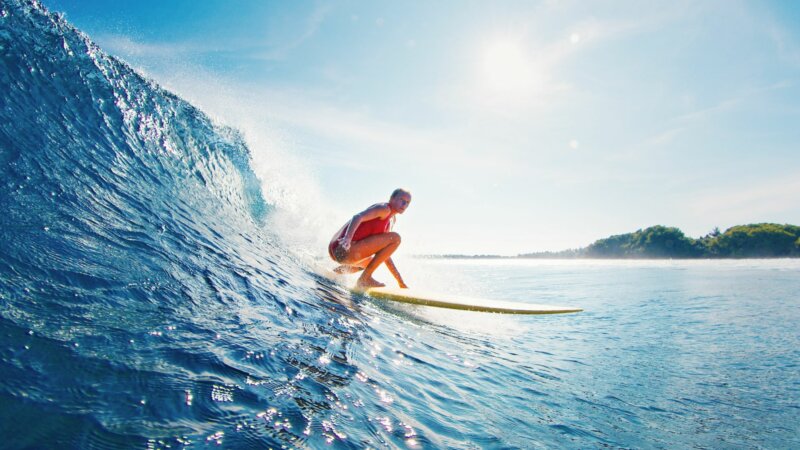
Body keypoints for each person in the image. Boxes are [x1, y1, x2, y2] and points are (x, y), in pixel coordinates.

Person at [328, 188, 411, 289]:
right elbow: (357, 217)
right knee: (396, 238)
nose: (404, 204)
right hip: (343, 249)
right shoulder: (384, 209)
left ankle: (332, 274)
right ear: (392, 199)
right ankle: (365, 279)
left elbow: (384, 255)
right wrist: (347, 238)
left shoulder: (391, 220)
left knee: (370, 263)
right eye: (402, 200)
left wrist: (400, 282)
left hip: (340, 251)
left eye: (407, 202)